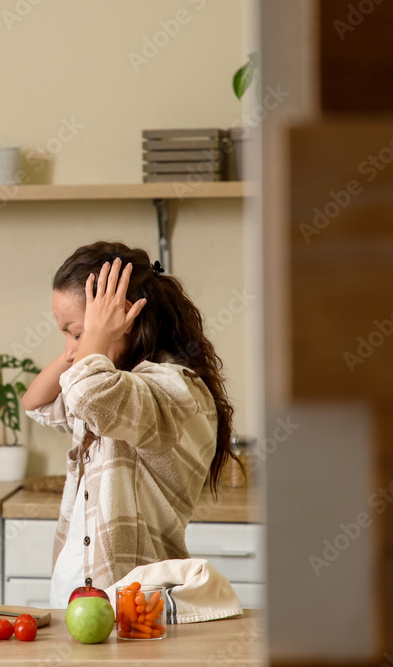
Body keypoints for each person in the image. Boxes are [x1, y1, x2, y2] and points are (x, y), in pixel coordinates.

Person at [21, 241, 236, 607]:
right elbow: (35, 403)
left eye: (78, 332)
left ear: (123, 319)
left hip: (130, 601)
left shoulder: (171, 388)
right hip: (74, 594)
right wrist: (83, 340)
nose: (73, 349)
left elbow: (85, 393)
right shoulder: (108, 384)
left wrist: (93, 335)